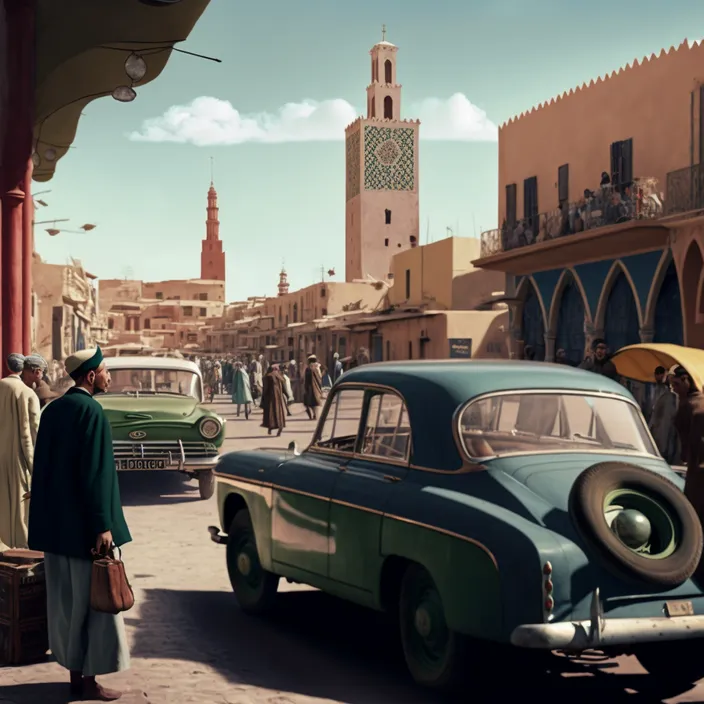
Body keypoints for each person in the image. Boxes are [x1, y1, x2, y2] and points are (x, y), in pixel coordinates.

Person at [28, 346, 131, 701]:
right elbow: (96, 476)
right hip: (86, 532)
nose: (108, 377)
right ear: (90, 376)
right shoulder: (92, 412)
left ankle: (75, 675)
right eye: (104, 371)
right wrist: (103, 526)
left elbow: (41, 470)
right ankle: (89, 682)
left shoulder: (53, 410)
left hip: (57, 531)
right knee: (95, 606)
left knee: (66, 606)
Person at [0, 353, 41, 550]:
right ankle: (19, 553)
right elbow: (31, 434)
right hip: (18, 460)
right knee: (19, 511)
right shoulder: (27, 393)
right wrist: (35, 467)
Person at [670, 365, 704, 526]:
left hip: (698, 469)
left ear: (686, 381)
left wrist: (685, 456)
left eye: (676, 384)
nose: (673, 389)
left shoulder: (690, 406)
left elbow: (688, 441)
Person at [648, 365, 679, 464]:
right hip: (659, 441)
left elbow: (666, 423)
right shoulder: (664, 393)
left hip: (665, 445)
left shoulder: (671, 397)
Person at [260, 365, 287, 436]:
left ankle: (270, 428)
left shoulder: (267, 377)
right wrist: (287, 395)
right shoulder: (279, 377)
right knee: (278, 413)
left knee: (271, 414)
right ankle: (279, 428)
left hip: (270, 399)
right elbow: (284, 387)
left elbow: (265, 389)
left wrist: (263, 399)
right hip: (278, 399)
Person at [303, 354, 323, 420]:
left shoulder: (308, 369)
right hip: (316, 389)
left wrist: (306, 388)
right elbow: (319, 378)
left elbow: (306, 380)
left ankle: (313, 415)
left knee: (308, 403)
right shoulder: (317, 368)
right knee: (314, 403)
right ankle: (315, 415)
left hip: (310, 389)